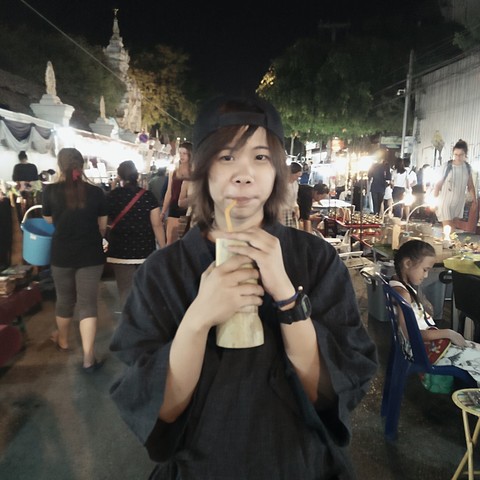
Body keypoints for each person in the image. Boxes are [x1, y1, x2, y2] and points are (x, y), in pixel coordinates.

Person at [109, 95, 377, 480]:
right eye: (227, 157)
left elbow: (328, 395)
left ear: (277, 170)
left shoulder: (315, 259)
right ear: (202, 169)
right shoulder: (162, 272)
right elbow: (161, 411)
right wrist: (198, 320)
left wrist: (287, 296)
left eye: (261, 157)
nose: (244, 174)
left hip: (303, 466)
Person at [42, 148, 107, 372]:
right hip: (91, 254)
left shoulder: (50, 191)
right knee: (88, 303)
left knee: (64, 299)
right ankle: (88, 358)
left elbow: (48, 220)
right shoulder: (96, 192)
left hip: (62, 254)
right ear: (82, 165)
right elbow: (102, 226)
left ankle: (63, 341)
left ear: (60, 166)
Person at [391, 239, 480, 384]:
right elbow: (410, 335)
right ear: (407, 263)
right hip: (421, 350)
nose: (426, 275)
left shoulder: (399, 285)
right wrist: (448, 333)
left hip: (422, 346)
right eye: (425, 270)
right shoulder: (403, 294)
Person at [106, 160, 164, 306]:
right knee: (145, 290)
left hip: (120, 251)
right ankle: (144, 316)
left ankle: (129, 317)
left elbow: (105, 222)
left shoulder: (112, 196)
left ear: (119, 176)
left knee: (125, 290)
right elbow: (157, 224)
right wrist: (163, 248)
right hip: (145, 249)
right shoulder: (148, 196)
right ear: (137, 176)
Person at [433, 139, 477, 229]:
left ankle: (447, 238)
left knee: (450, 230)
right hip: (445, 202)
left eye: (461, 155)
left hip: (458, 204)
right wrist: (434, 201)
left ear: (465, 155)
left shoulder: (467, 168)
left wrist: (474, 200)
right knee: (449, 228)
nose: (458, 157)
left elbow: (470, 186)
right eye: (456, 154)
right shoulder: (447, 166)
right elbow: (438, 185)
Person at [161, 142, 192, 245]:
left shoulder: (195, 172)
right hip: (174, 208)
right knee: (170, 241)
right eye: (180, 153)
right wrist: (163, 212)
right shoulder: (174, 171)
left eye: (185, 153)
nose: (182, 156)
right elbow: (169, 192)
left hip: (188, 209)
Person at [12, 150, 40, 223]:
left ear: (19, 159)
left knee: (22, 209)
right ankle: (34, 221)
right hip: (32, 191)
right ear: (26, 158)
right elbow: (36, 179)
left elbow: (14, 179)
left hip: (21, 192)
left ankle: (23, 221)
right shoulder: (33, 166)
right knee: (33, 208)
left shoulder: (17, 167)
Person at [279, 161, 302, 227]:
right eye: (296, 176)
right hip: (281, 212)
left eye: (299, 177)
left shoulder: (295, 184)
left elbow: (294, 199)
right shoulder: (281, 184)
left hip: (291, 211)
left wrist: (297, 208)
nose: (297, 178)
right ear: (290, 173)